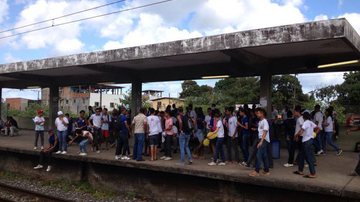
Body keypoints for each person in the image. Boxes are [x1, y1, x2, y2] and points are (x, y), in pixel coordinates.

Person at [293, 111, 319, 178]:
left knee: (308, 158)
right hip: (308, 141)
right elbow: (318, 128)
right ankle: (300, 170)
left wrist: (296, 135)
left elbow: (301, 131)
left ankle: (313, 173)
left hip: (307, 142)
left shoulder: (306, 122)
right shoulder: (310, 122)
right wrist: (314, 134)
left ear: (304, 117)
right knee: (301, 156)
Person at [249, 108, 270, 177]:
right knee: (264, 156)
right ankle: (266, 171)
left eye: (258, 113)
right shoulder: (260, 122)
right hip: (261, 139)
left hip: (263, 140)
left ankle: (256, 171)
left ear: (262, 113)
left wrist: (261, 141)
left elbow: (265, 131)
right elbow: (261, 130)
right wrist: (255, 129)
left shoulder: (264, 121)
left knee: (258, 155)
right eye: (256, 113)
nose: (257, 114)